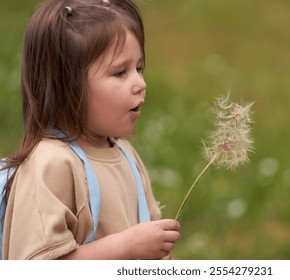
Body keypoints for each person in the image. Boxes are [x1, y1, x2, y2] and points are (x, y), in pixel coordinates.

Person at [0, 0, 180, 259]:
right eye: (120, 72)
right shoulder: (51, 164)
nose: (140, 83)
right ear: (67, 86)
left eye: (138, 68)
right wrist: (127, 247)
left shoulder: (126, 155)